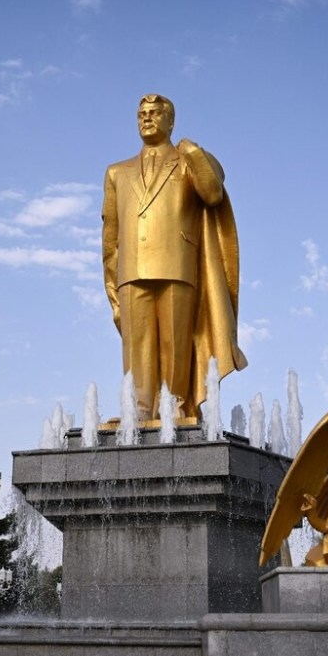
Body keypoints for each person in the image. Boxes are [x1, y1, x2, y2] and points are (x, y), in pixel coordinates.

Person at [101, 94, 246, 422]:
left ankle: (176, 405)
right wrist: (112, 288)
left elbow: (213, 194)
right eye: (142, 114)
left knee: (175, 342)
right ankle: (138, 410)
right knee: (136, 345)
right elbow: (111, 236)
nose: (146, 118)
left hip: (178, 266)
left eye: (154, 113)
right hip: (131, 271)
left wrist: (193, 153)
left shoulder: (187, 161)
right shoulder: (116, 172)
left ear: (170, 122)